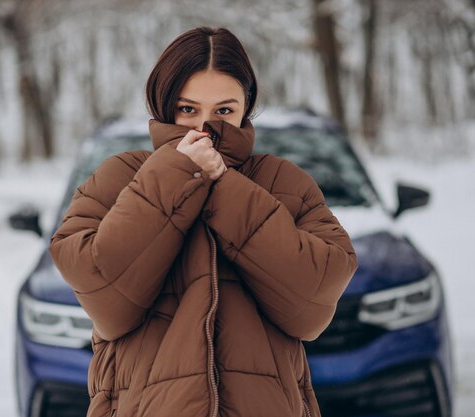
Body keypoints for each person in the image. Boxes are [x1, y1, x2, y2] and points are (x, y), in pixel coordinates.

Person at [49, 26, 358, 417]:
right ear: (164, 105)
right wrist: (177, 174)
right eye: (188, 109)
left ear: (246, 106)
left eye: (223, 111)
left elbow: (313, 303)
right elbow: (108, 299)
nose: (204, 129)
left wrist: (226, 188)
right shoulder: (117, 178)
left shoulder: (285, 182)